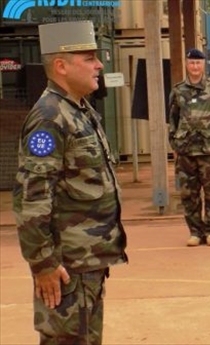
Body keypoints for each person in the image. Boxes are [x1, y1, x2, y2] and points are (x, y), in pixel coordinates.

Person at [13, 20, 128, 344]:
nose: (99, 64)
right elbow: (32, 197)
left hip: (86, 264)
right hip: (65, 269)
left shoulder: (79, 110)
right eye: (89, 57)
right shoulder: (50, 117)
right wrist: (43, 263)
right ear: (61, 66)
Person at [169, 48, 210, 247]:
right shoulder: (178, 90)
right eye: (191, 63)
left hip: (209, 148)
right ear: (187, 65)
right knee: (189, 194)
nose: (195, 66)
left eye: (198, 63)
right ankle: (195, 232)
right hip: (186, 149)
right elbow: (172, 119)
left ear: (204, 65)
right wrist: (174, 143)